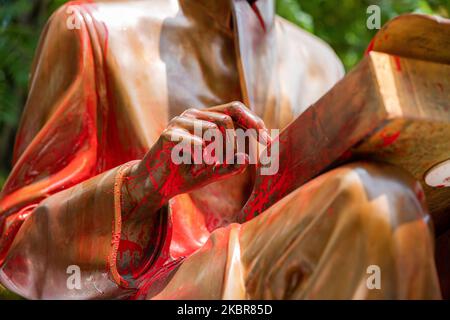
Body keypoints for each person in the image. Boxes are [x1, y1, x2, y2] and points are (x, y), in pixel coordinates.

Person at [0, 0, 443, 299]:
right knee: (369, 202)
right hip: (172, 294)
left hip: (299, 280)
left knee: (391, 201)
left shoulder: (319, 62)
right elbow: (15, 252)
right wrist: (140, 188)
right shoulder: (94, 29)